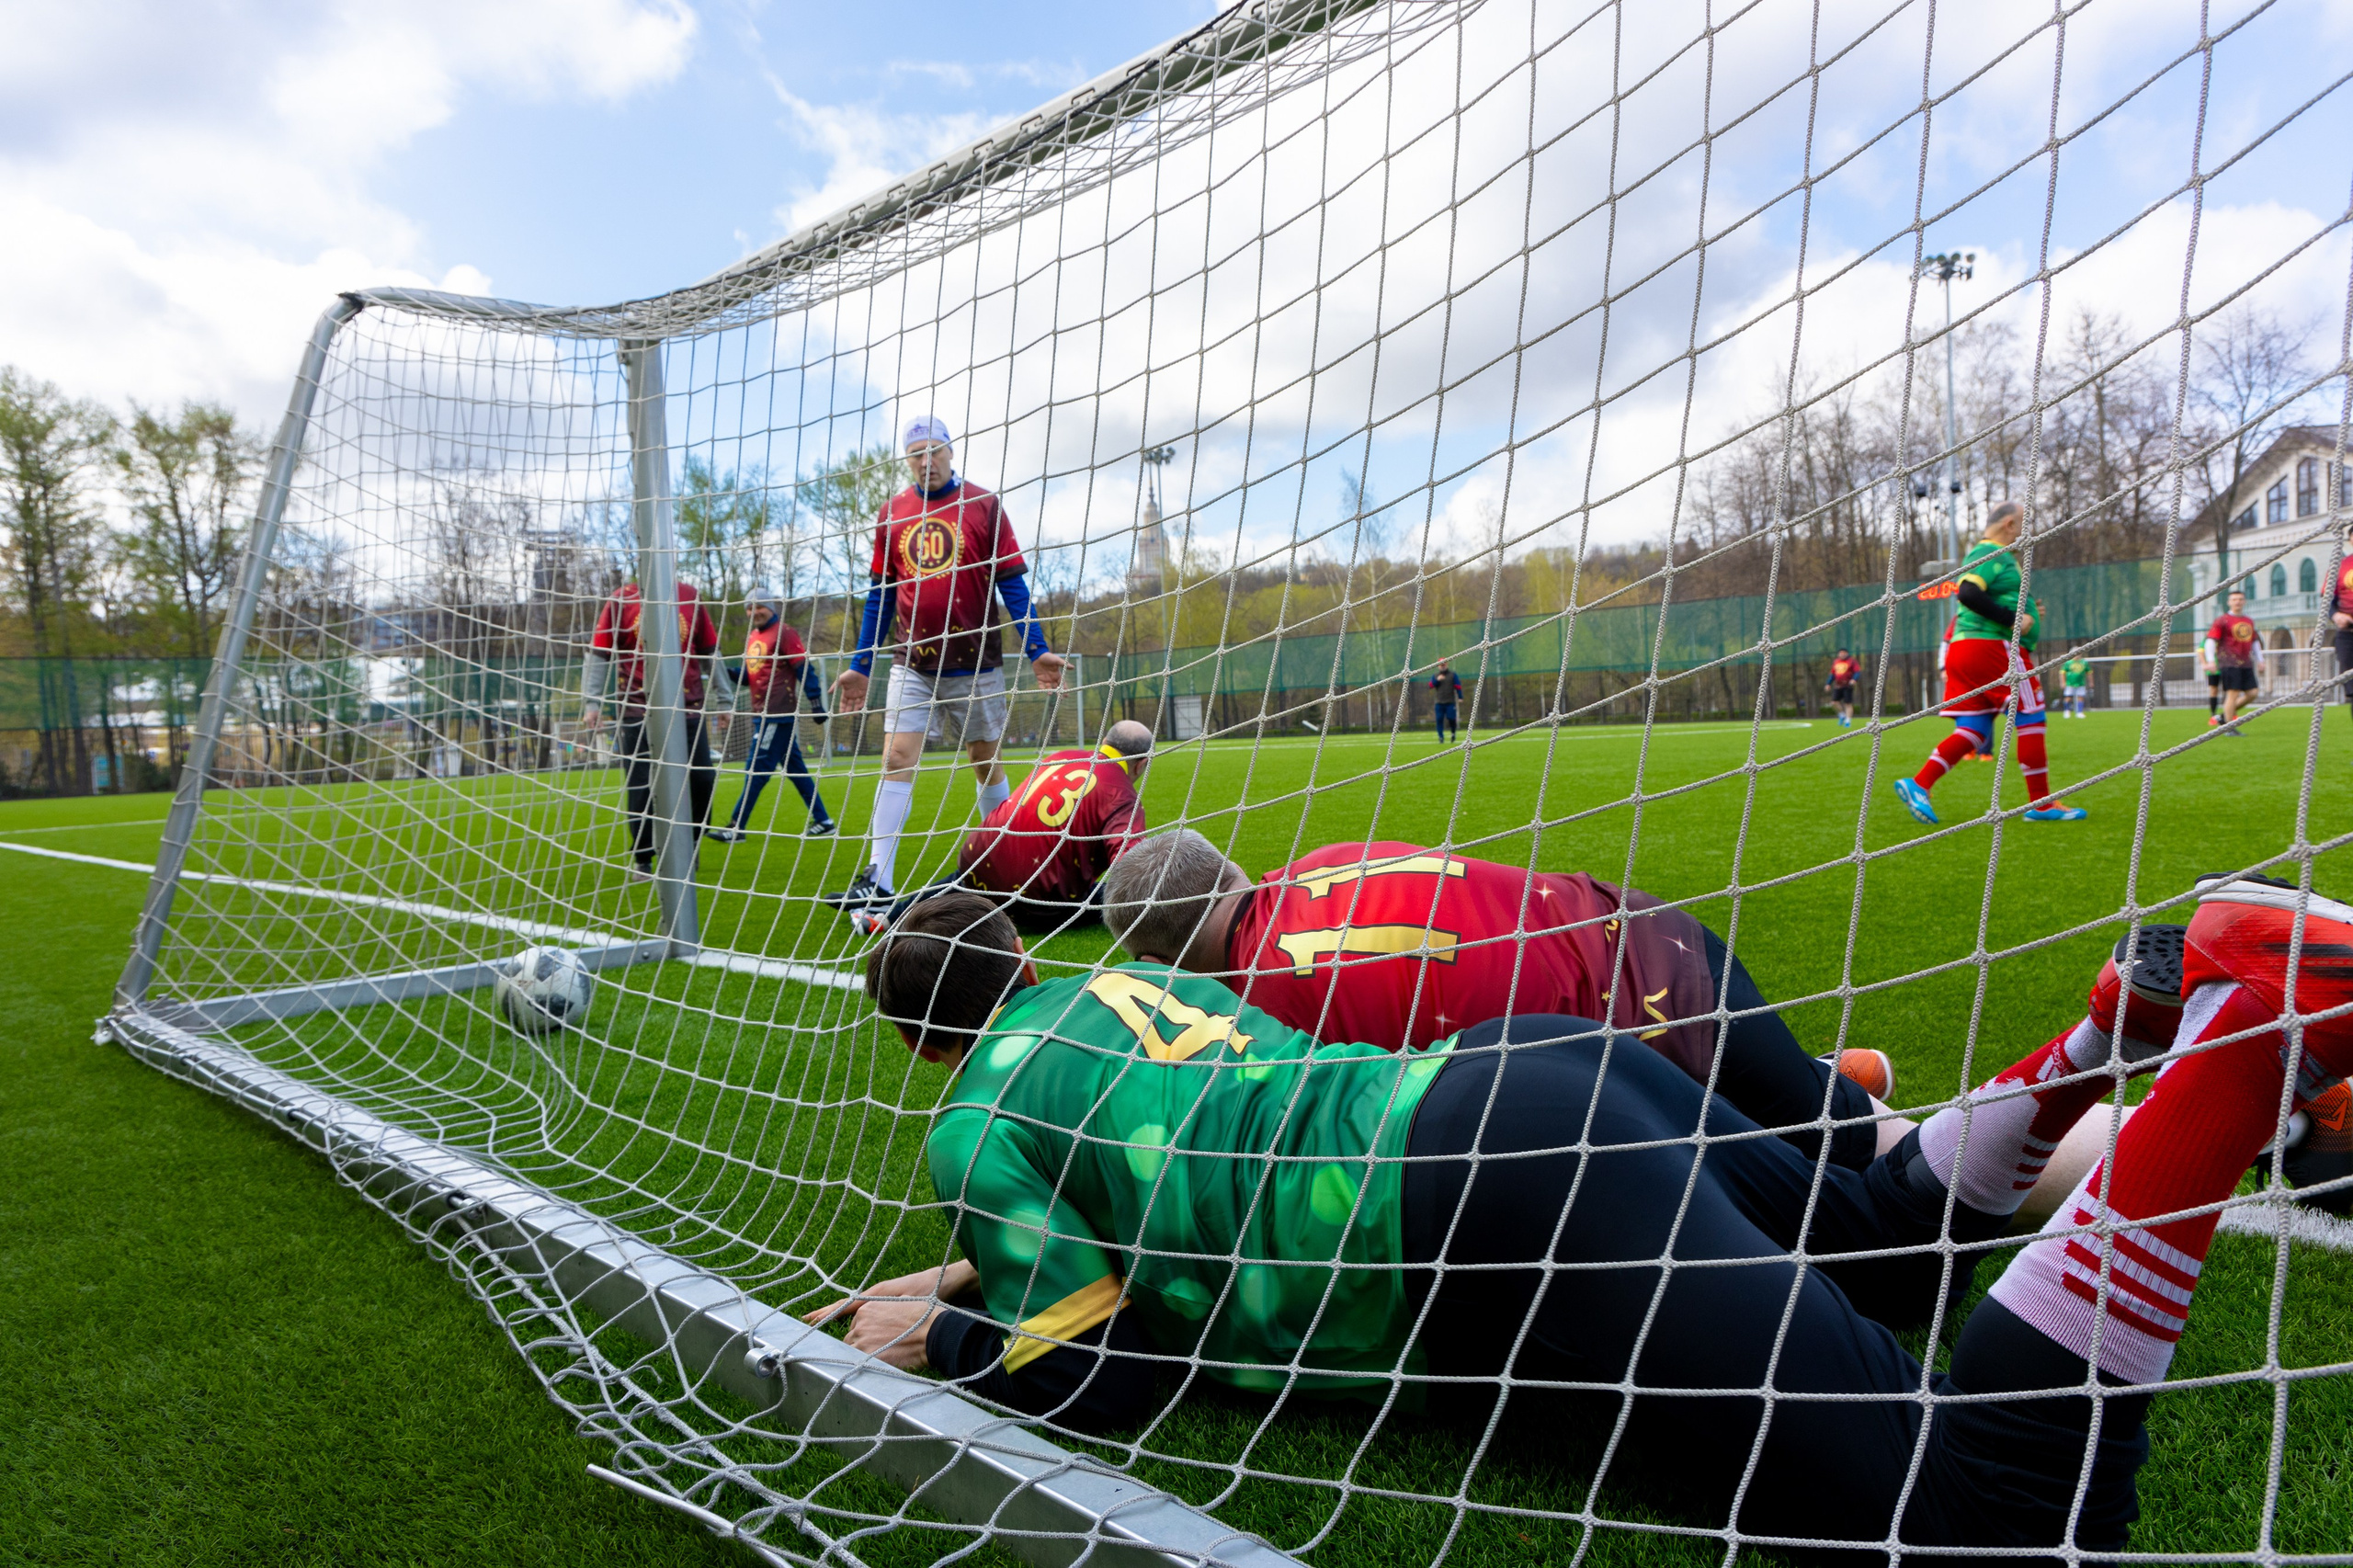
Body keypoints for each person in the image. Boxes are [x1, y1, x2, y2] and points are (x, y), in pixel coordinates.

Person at [812, 874, 2342, 1555]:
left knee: (2000, 1515)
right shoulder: (1126, 980)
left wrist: (952, 1327)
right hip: (1524, 1073)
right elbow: (1180, 1157)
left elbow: (1111, 1364)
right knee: (1878, 1239)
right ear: (1026, 950)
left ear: (915, 1043)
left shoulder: (970, 1122)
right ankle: (2104, 1039)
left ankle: (2239, 1042)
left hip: (1478, 1204)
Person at [1098, 829, 1897, 1172]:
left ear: (1161, 962)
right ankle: (1825, 1083)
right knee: (1814, 1119)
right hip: (1645, 925)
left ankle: (1998, 1159)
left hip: (1646, 1040)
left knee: (1843, 1171)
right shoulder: (1325, 858)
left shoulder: (1269, 1011)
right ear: (1234, 869)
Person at [823, 416, 1067, 912]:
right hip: (911, 664)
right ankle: (879, 882)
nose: (925, 460)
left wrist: (1036, 648)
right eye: (915, 452)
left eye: (934, 450)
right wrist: (860, 665)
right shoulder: (891, 513)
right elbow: (879, 598)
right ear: (906, 459)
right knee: (895, 758)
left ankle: (1006, 865)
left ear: (951, 453)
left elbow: (1013, 584)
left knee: (985, 762)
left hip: (976, 665)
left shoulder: (984, 505)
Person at [849, 719, 1154, 937]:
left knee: (960, 883)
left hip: (978, 858)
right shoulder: (1123, 796)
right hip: (1035, 896)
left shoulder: (1061, 757)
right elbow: (1130, 869)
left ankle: (888, 916)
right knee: (1100, 896)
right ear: (1141, 765)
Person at [1894, 501, 2084, 824]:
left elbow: (1984, 596)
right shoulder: (1993, 553)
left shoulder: (1989, 555)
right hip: (1994, 650)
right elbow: (1968, 593)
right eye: (2024, 524)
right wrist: (2013, 619)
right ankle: (2041, 804)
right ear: (2010, 524)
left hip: (1965, 650)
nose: (2027, 531)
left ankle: (1919, 784)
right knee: (2031, 716)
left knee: (1974, 728)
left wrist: (2029, 612)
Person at [583, 577, 726, 880]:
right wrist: (591, 703)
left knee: (702, 780)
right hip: (637, 708)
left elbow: (710, 650)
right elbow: (599, 652)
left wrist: (724, 698)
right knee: (642, 786)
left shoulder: (689, 596)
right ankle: (644, 858)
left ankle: (690, 844)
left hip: (688, 707)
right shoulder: (621, 599)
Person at [709, 585, 834, 844]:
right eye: (749, 608)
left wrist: (815, 702)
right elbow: (749, 676)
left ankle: (737, 826)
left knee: (755, 770)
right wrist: (722, 671)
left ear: (771, 608)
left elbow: (803, 667)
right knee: (796, 771)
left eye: (760, 607)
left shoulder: (784, 632)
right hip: (762, 714)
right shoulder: (754, 636)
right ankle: (824, 821)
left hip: (776, 715)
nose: (754, 611)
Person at [2204, 588, 2261, 734]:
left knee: (2253, 693)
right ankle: (2229, 728)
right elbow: (2210, 641)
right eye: (2234, 599)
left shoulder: (2249, 621)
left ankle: (2224, 717)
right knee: (2233, 693)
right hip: (2229, 662)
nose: (2238, 602)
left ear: (2244, 601)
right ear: (2229, 602)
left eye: (2240, 599)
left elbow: (2254, 642)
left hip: (2246, 663)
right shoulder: (2222, 620)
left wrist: (2260, 660)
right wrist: (2210, 660)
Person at [1824, 647, 1861, 727]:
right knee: (1834, 702)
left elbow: (1857, 672)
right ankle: (1842, 715)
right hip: (1838, 685)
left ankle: (1848, 721)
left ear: (1847, 653)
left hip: (1847, 685)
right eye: (1841, 653)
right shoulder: (1836, 662)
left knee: (1848, 703)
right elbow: (1832, 674)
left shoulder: (1852, 661)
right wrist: (1828, 684)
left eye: (1844, 652)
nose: (1842, 654)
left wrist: (1854, 680)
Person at [1429, 661, 1463, 742]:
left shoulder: (1452, 675)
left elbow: (1458, 686)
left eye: (1444, 665)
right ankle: (1441, 737)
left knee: (1451, 718)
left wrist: (1460, 697)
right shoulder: (1436, 675)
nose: (1443, 667)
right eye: (1441, 665)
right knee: (1439, 719)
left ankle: (1453, 733)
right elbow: (1430, 685)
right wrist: (1437, 680)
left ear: (1447, 665)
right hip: (1439, 702)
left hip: (1450, 702)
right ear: (1438, 666)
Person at [2061, 650, 2092, 719]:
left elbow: (2089, 672)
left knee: (2080, 697)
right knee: (2068, 697)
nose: (2078, 655)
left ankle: (2079, 712)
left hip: (2081, 683)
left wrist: (2091, 682)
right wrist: (2063, 682)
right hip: (2070, 683)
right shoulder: (2068, 663)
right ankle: (2067, 711)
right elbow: (2062, 673)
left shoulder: (2084, 662)